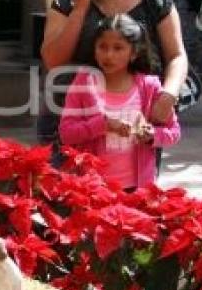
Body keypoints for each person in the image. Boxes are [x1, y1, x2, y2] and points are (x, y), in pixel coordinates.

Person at [40, 0, 187, 161]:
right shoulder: (67, 1)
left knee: (134, 191)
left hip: (135, 120)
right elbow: (53, 60)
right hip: (75, 118)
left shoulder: (154, 0)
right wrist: (79, 8)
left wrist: (168, 95)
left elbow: (177, 55)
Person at [59, 15, 180, 188]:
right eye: (102, 47)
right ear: (94, 49)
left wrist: (152, 135)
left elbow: (174, 132)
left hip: (138, 188)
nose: (109, 55)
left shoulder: (149, 87)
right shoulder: (83, 83)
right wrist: (103, 125)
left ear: (134, 53)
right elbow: (66, 134)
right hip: (93, 187)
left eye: (118, 48)